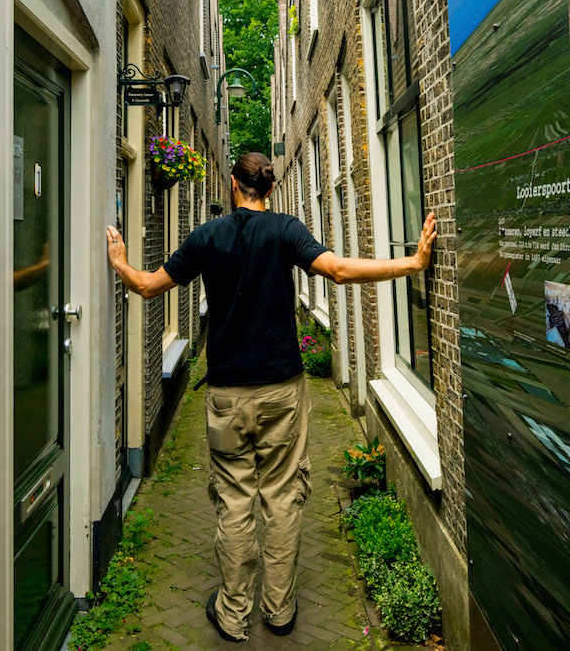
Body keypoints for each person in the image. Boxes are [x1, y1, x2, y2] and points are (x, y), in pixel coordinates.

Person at [107, 151, 436, 643]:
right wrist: (412, 262)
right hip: (283, 391)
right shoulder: (286, 230)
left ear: (233, 186)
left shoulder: (207, 236)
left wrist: (119, 262)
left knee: (234, 501)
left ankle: (234, 614)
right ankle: (280, 613)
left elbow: (148, 287)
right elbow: (340, 272)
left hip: (226, 397)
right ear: (267, 188)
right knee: (282, 499)